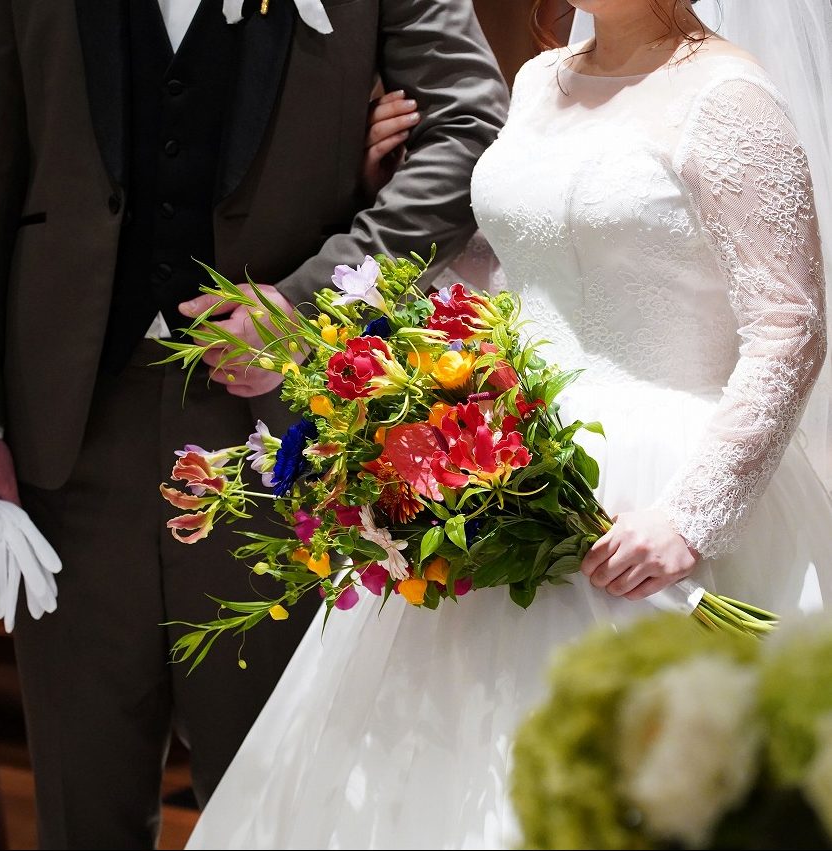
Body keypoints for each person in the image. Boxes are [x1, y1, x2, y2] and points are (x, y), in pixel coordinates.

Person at [182, 0, 832, 848]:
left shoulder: (728, 96)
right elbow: (518, 268)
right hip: (509, 463)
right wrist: (385, 201)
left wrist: (692, 515)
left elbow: (789, 324)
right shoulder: (539, 80)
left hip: (661, 485)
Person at [0, 2, 508, 848]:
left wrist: (314, 298)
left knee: (271, 806)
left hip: (286, 437)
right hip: (67, 431)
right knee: (80, 803)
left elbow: (470, 125)